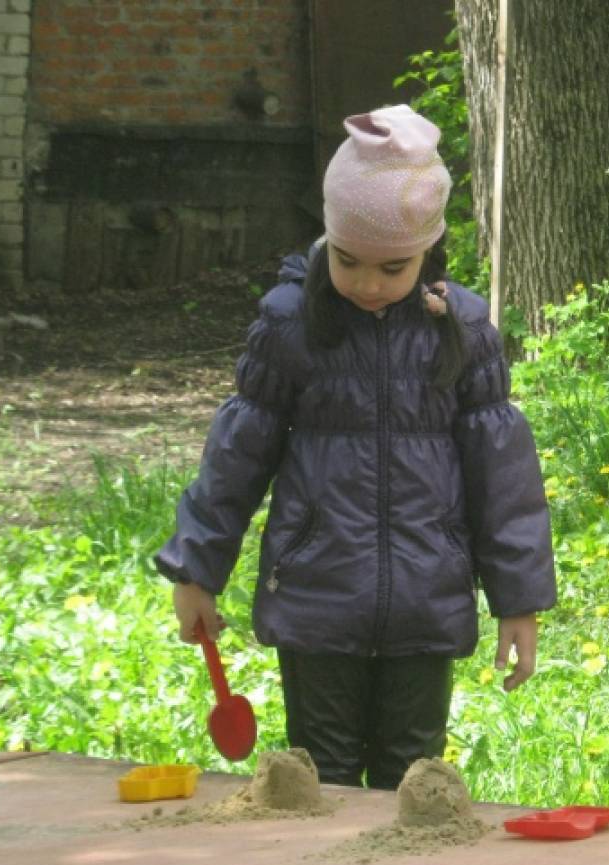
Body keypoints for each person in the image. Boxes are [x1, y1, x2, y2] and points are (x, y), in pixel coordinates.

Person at [155, 105, 556, 789]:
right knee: (323, 778)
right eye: (347, 261)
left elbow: (504, 479)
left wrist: (516, 601)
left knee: (412, 781)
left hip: (425, 602)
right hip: (317, 599)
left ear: (427, 251)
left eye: (392, 267)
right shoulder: (291, 325)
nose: (368, 284)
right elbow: (238, 455)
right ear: (327, 239)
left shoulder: (459, 331)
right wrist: (196, 570)